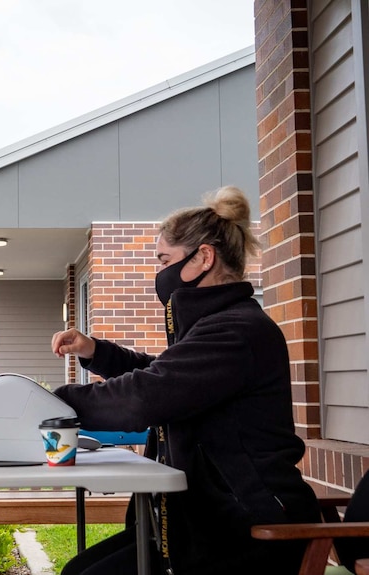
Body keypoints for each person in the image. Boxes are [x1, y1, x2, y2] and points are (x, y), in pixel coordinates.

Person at [50, 186, 319, 575]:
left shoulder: (236, 331)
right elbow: (164, 375)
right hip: (204, 519)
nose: (160, 273)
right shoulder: (217, 326)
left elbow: (148, 395)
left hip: (249, 530)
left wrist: (51, 403)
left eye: (165, 260)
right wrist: (97, 352)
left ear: (203, 257)